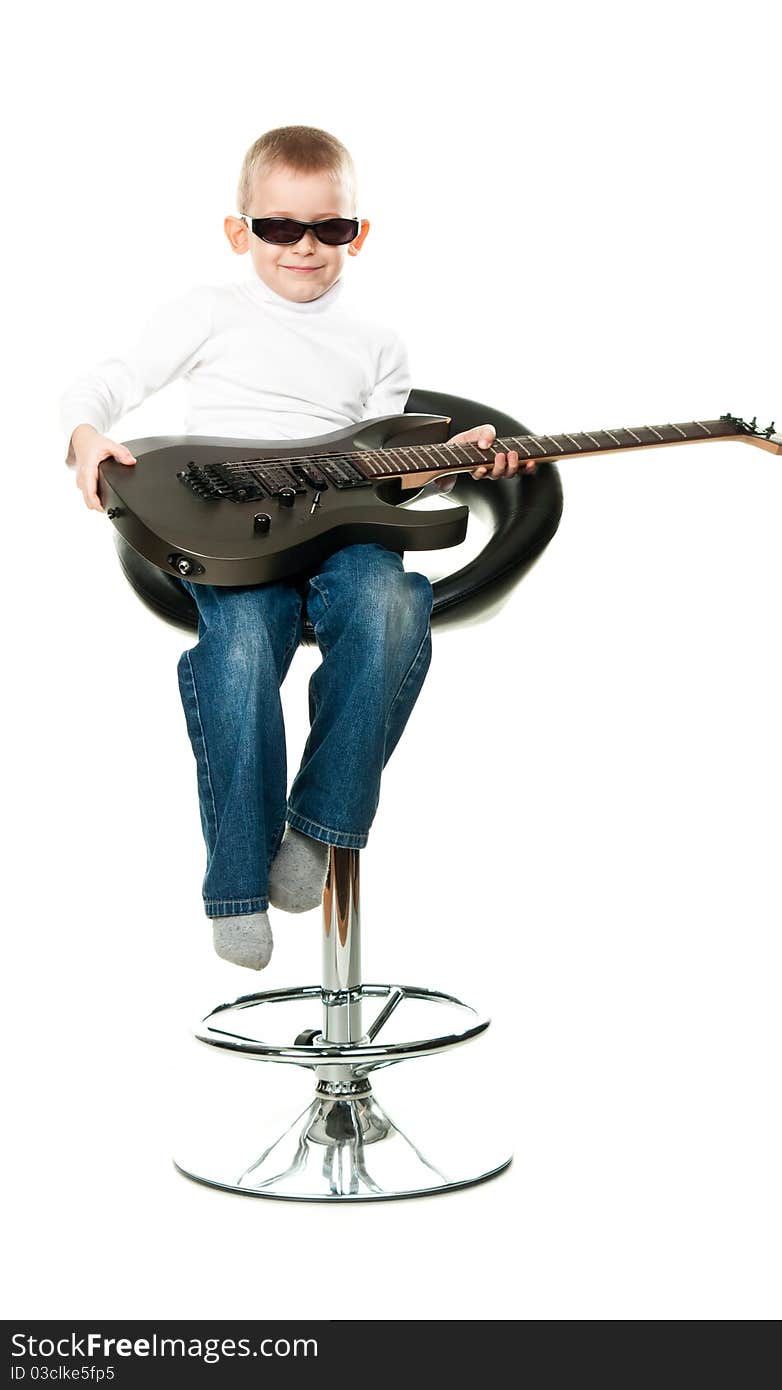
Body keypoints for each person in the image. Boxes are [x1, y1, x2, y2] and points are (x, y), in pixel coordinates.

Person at [59, 124, 535, 971]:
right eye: (280, 227)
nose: (304, 247)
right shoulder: (208, 312)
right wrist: (86, 432)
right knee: (239, 650)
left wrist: (459, 462)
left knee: (388, 603)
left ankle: (319, 827)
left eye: (330, 229)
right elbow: (112, 377)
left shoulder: (379, 342)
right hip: (231, 530)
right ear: (241, 231)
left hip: (341, 524)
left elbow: (384, 473)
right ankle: (237, 882)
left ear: (359, 234)